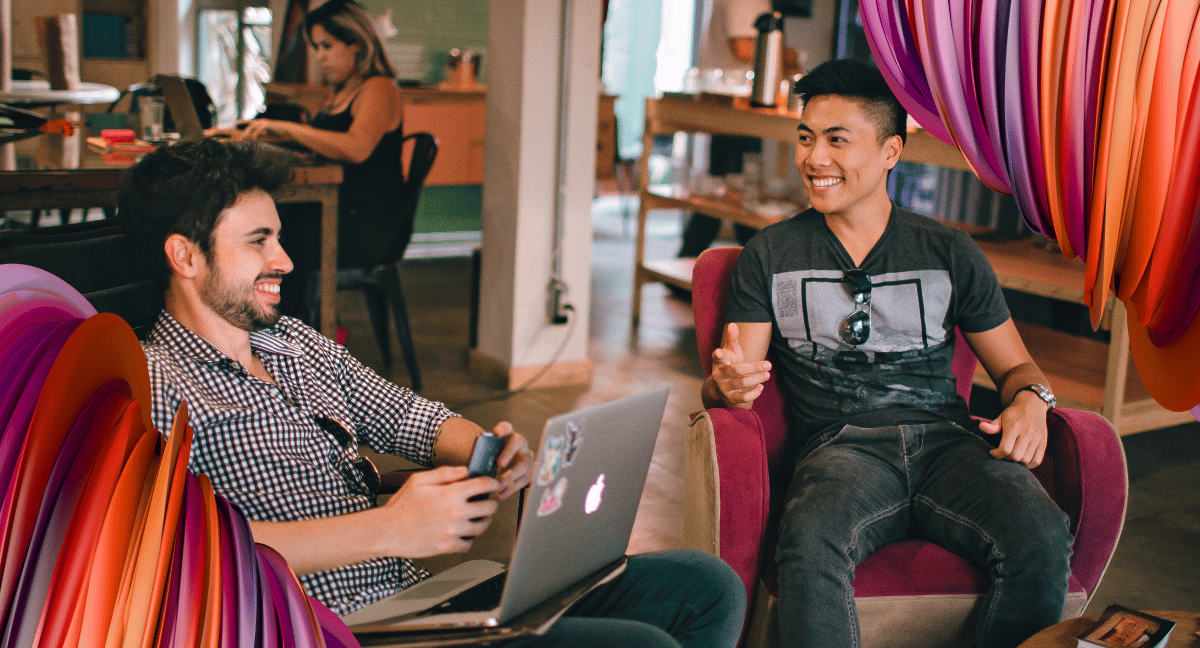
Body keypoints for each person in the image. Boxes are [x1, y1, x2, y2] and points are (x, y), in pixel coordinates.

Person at [119, 138, 745, 648]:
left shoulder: (293, 343)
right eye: (258, 241)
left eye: (278, 237)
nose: (284, 260)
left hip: (416, 602)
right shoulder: (156, 385)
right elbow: (182, 554)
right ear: (186, 256)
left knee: (705, 585)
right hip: (334, 631)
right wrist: (391, 529)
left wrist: (487, 447)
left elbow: (406, 416)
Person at [701, 59, 1071, 648]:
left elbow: (1017, 368)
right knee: (809, 543)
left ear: (891, 151)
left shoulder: (949, 251)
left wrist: (1033, 399)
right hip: (840, 449)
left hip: (951, 444)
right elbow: (730, 379)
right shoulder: (770, 255)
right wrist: (727, 387)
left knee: (1042, 534)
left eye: (837, 140)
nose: (814, 158)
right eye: (806, 138)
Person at [209, 0, 406, 322]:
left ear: (356, 42)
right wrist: (252, 133)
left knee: (274, 240)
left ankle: (285, 333)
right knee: (262, 230)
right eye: (316, 47)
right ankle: (263, 327)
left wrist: (285, 128)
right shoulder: (343, 91)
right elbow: (322, 142)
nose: (320, 56)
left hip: (366, 224)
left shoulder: (379, 88)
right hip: (338, 209)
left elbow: (357, 148)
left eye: (327, 45)